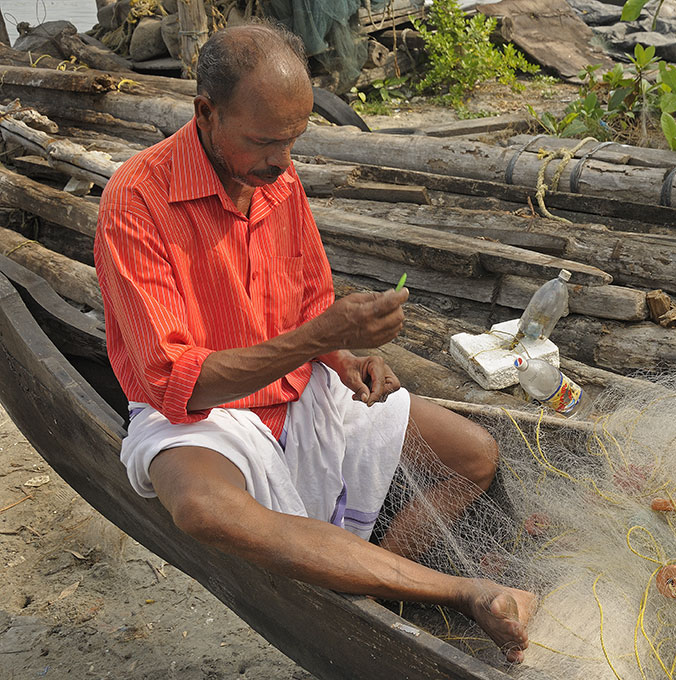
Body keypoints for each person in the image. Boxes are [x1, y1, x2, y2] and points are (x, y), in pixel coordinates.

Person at [94, 22, 534, 663]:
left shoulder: (279, 180)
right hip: (201, 414)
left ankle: (372, 583)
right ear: (205, 114)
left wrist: (343, 355)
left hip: (296, 385)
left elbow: (304, 301)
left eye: (293, 140)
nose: (281, 160)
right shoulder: (136, 201)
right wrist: (321, 337)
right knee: (203, 509)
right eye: (265, 141)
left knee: (474, 453)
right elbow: (174, 380)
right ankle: (458, 591)